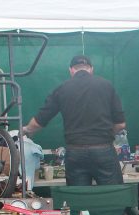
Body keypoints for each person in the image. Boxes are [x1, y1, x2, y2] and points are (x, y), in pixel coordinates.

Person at [22, 54, 126, 186]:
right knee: (113, 195)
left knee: (79, 200)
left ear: (71, 70)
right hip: (103, 149)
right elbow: (120, 124)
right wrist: (106, 134)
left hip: (75, 153)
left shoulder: (62, 89)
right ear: (91, 69)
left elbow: (38, 122)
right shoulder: (107, 86)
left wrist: (25, 129)